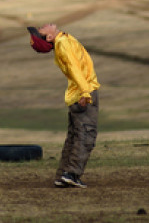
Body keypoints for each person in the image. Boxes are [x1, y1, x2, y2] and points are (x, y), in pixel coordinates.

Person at [28, 23, 101, 188]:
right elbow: (75, 69)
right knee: (86, 135)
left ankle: (63, 175)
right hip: (84, 92)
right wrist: (85, 92)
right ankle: (72, 174)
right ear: (49, 37)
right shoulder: (62, 43)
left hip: (76, 93)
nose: (44, 25)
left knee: (75, 136)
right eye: (42, 29)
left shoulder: (62, 41)